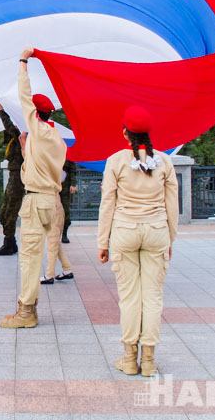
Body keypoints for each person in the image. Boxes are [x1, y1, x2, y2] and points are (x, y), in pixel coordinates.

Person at [97, 105, 178, 377]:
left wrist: (102, 242)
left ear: (125, 133)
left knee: (129, 298)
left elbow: (107, 202)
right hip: (156, 231)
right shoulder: (165, 162)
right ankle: (150, 360)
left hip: (125, 231)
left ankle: (129, 358)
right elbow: (172, 205)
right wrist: (171, 239)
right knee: (153, 297)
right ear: (148, 133)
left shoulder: (116, 161)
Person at [0, 48, 66, 329]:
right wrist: (27, 152)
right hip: (51, 200)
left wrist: (24, 63)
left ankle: (26, 312)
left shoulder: (37, 130)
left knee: (29, 258)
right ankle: (30, 309)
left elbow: (24, 98)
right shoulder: (57, 137)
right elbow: (46, 167)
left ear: (35, 114)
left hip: (36, 201)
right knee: (39, 252)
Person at [0, 100, 24, 256]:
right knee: (4, 212)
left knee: (9, 212)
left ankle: (9, 243)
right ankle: (10, 242)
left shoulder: (22, 136)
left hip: (18, 176)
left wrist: (0, 110)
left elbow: (9, 126)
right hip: (13, 175)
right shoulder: (16, 138)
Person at [40, 190, 74, 284]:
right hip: (55, 209)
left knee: (52, 245)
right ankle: (67, 269)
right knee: (55, 244)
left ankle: (50, 275)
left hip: (54, 211)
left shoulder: (52, 177)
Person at [60, 159, 77, 243]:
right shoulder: (51, 150)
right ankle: (53, 234)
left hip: (65, 186)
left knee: (65, 210)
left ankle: (64, 234)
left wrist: (73, 184)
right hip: (52, 185)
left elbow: (73, 170)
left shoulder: (68, 151)